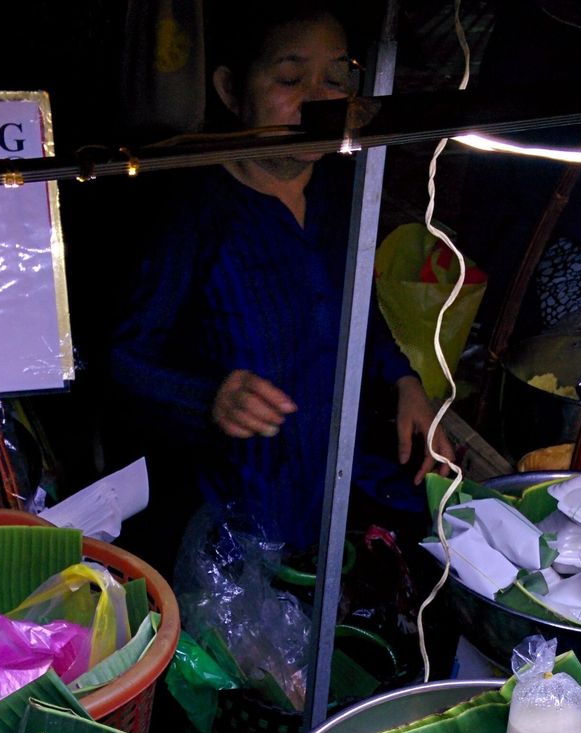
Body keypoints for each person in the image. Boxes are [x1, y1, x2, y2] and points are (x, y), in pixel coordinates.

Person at [106, 3, 448, 571]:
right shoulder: (191, 211)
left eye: (336, 79)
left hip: (330, 490)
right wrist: (208, 394)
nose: (318, 100)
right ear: (231, 89)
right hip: (226, 521)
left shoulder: (342, 193)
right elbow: (122, 358)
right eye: (290, 79)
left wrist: (405, 380)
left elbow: (352, 305)